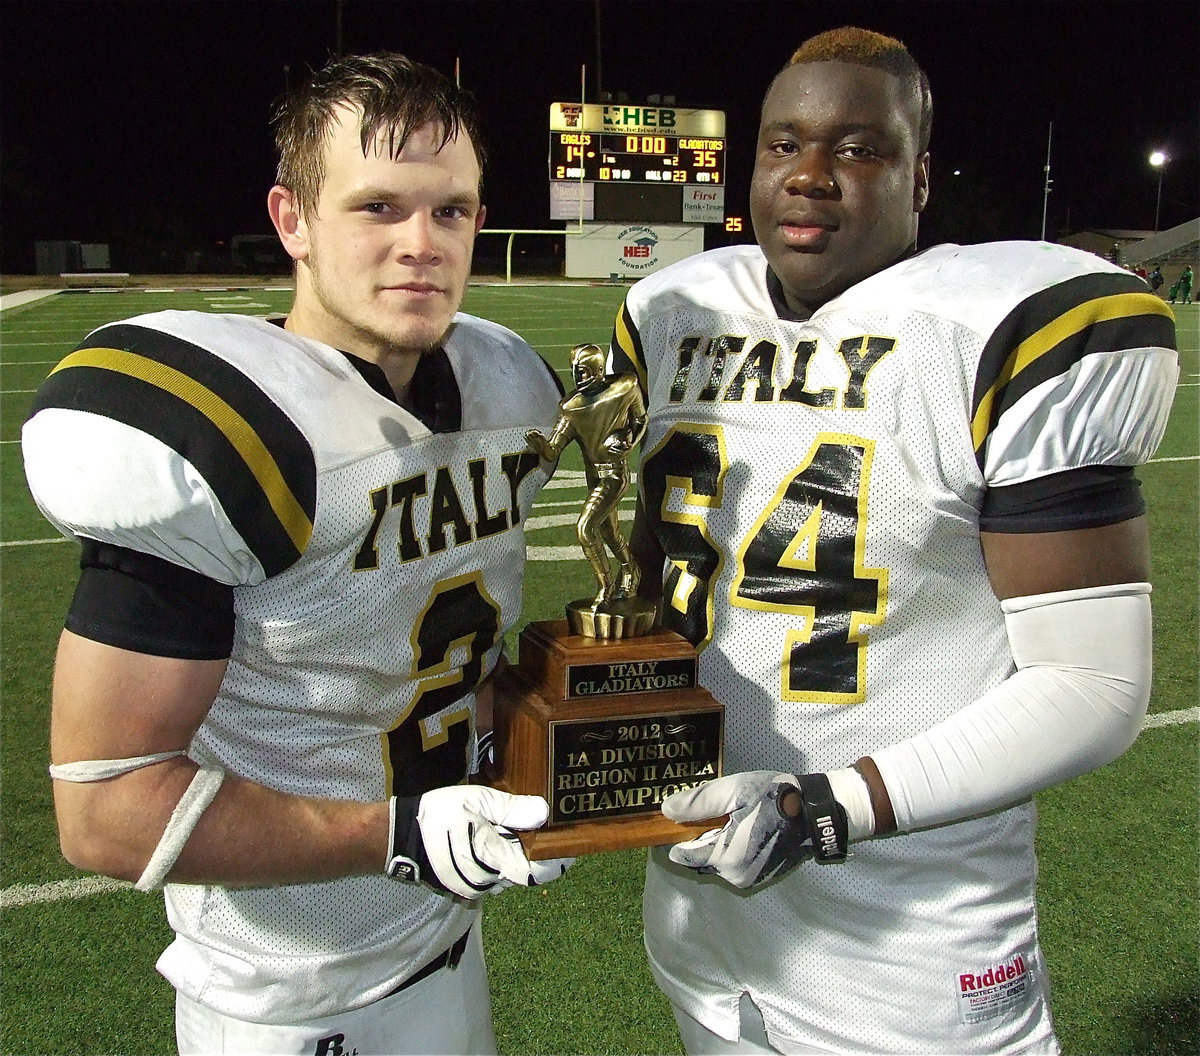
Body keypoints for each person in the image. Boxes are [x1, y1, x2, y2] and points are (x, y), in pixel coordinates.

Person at [610, 26, 1178, 1055]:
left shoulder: (998, 324)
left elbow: (1095, 688)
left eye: (857, 148)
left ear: (919, 178)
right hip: (702, 916)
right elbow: (656, 588)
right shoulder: (672, 314)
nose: (812, 176)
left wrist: (831, 806)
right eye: (785, 145)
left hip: (911, 935)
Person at [22, 53, 571, 1056]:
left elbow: (443, 668)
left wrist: (571, 742)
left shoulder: (508, 389)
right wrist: (395, 835)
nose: (420, 245)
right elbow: (103, 811)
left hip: (449, 946)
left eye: (450, 212)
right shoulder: (232, 431)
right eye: (378, 207)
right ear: (292, 221)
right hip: (290, 1005)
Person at [525, 342, 647, 608]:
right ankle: (630, 570)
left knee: (585, 528)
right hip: (593, 476)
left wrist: (628, 440)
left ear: (598, 369)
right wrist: (541, 444)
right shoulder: (572, 407)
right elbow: (554, 449)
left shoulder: (624, 388)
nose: (577, 377)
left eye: (582, 371)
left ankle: (605, 587)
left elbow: (640, 419)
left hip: (614, 474)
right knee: (610, 532)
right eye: (575, 371)